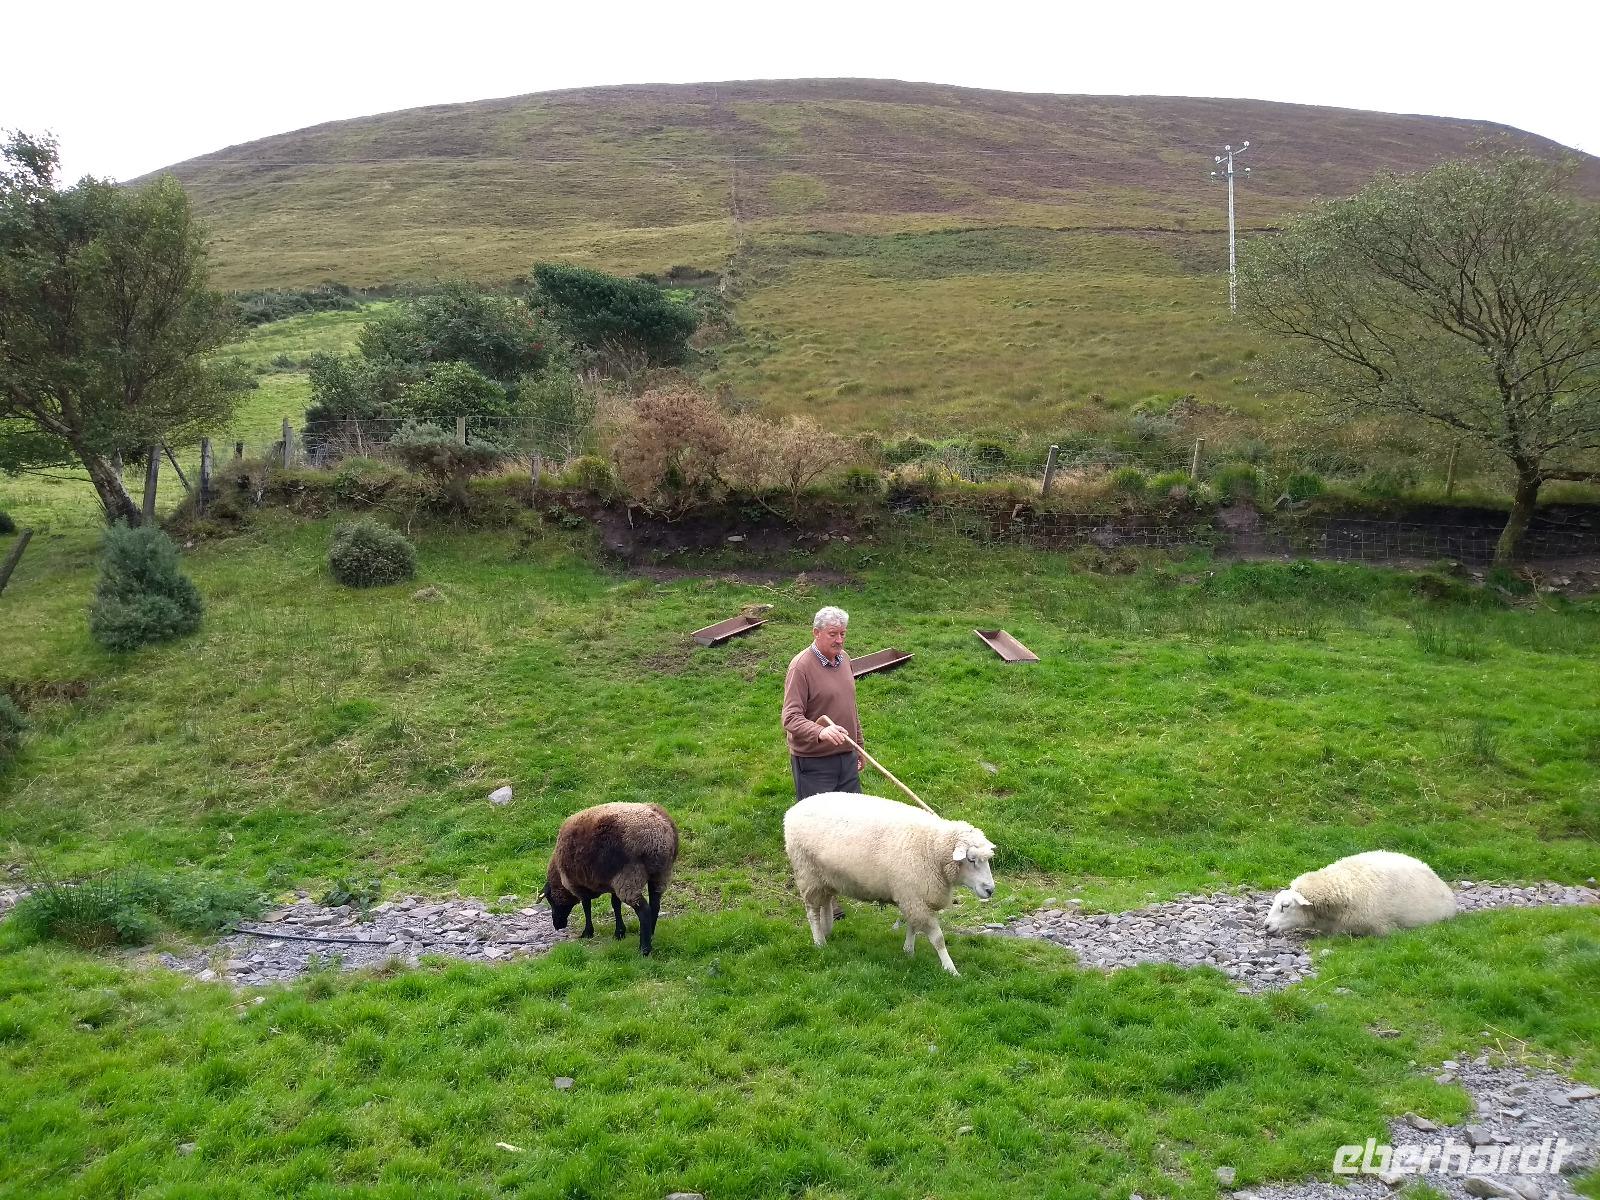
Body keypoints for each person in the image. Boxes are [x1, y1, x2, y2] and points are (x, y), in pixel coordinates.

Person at [782, 605, 865, 801]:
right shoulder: (800, 667)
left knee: (852, 821)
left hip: (846, 756)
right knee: (819, 826)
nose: (839, 640)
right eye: (833, 634)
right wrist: (820, 732)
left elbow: (850, 707)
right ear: (816, 633)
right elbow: (790, 717)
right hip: (815, 763)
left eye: (843, 634)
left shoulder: (844, 659)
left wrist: (859, 746)